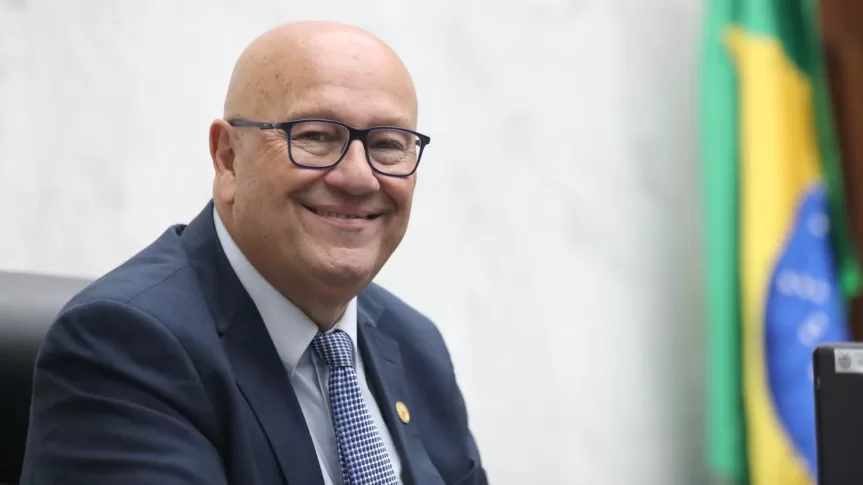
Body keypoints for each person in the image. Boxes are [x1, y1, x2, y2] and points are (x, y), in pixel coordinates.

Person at [20, 21, 486, 485]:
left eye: (387, 145)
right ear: (228, 158)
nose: (359, 178)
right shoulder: (123, 348)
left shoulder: (415, 344)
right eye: (316, 136)